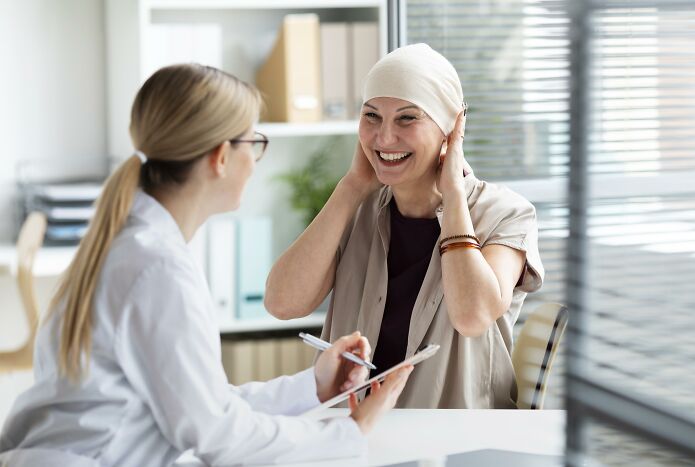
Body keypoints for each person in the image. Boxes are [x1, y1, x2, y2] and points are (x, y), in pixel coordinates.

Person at [0, 64, 413, 467]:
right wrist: (350, 432)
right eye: (255, 144)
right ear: (220, 157)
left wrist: (313, 386)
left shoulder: (129, 244)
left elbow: (199, 403)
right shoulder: (157, 269)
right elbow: (216, 435)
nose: (255, 161)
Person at [265, 43, 544, 409]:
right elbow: (282, 304)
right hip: (354, 433)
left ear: (451, 129)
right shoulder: (357, 208)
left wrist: (454, 195)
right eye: (372, 116)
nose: (384, 138)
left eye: (407, 118)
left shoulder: (504, 213)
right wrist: (350, 187)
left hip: (454, 441)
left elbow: (472, 316)